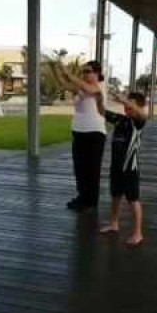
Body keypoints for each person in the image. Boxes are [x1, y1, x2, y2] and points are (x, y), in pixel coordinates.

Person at [53, 60, 107, 212]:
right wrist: (58, 71)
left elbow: (88, 89)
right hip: (79, 131)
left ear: (97, 73)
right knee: (80, 168)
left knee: (92, 169)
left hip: (95, 132)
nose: (84, 74)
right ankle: (82, 197)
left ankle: (91, 201)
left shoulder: (98, 87)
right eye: (83, 71)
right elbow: (64, 86)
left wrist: (69, 74)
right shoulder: (82, 88)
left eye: (88, 71)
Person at [95, 91, 147, 246]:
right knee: (116, 195)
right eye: (125, 105)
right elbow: (102, 111)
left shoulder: (138, 122)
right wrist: (99, 100)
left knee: (133, 200)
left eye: (130, 104)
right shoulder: (120, 120)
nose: (126, 107)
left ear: (138, 106)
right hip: (116, 166)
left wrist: (123, 99)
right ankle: (114, 223)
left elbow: (141, 114)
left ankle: (138, 233)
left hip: (130, 167)